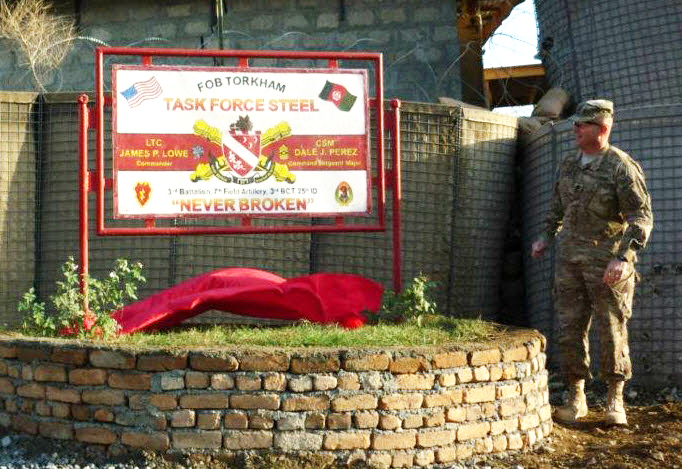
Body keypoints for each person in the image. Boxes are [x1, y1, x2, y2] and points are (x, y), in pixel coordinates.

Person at [531, 99, 653, 426]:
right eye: (575, 123)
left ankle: (615, 399)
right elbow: (557, 206)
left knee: (611, 327)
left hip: (607, 262)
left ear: (602, 129)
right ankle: (576, 397)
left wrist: (623, 258)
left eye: (582, 124)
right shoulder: (569, 163)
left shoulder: (620, 166)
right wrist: (545, 236)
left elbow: (641, 217)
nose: (575, 129)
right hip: (570, 259)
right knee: (570, 327)